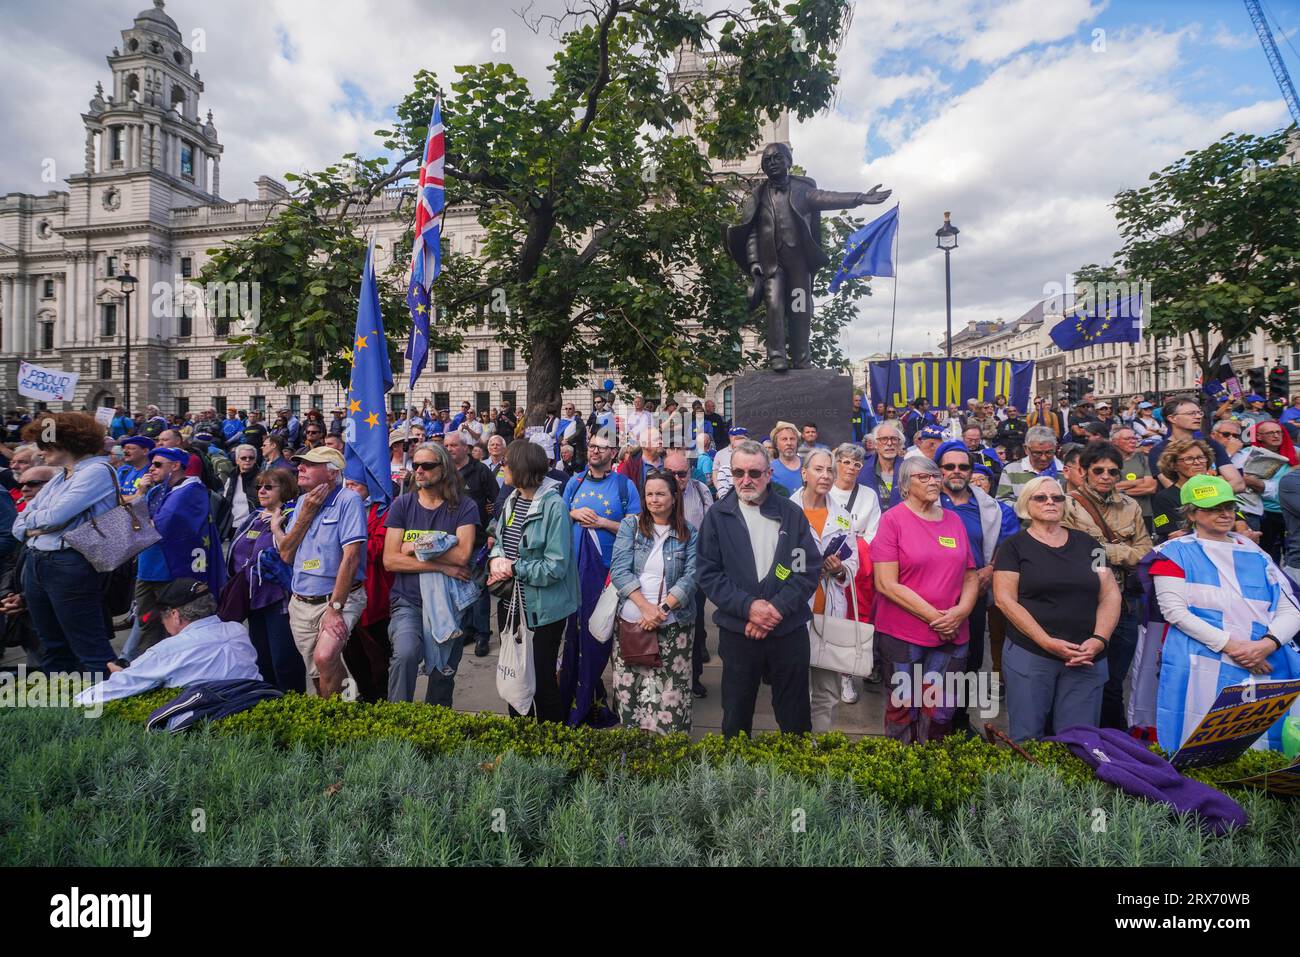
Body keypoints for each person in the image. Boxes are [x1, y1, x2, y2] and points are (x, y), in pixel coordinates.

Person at [1148, 475, 1300, 752]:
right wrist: (1236, 648)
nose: (1225, 513)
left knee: (1264, 747)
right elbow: (1175, 612)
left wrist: (1266, 645)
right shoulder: (1171, 553)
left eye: (1229, 506)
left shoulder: (1258, 553)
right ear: (1192, 514)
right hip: (1203, 660)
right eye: (1214, 508)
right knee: (1201, 746)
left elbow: (1291, 608)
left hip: (1265, 658)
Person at [696, 440, 820, 737]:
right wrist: (749, 608)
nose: (745, 480)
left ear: (769, 474)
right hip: (740, 634)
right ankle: (736, 780)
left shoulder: (791, 513)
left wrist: (775, 609)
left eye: (754, 472)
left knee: (795, 719)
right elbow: (709, 573)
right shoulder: (717, 516)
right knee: (736, 716)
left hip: (787, 631)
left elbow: (805, 569)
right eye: (738, 472)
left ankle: (796, 776)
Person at [993, 477, 1119, 740]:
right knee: (1028, 737)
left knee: (1080, 739)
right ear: (1027, 504)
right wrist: (1046, 642)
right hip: (1032, 654)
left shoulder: (1090, 546)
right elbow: (1005, 600)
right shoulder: (1013, 547)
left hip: (1086, 656)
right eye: (1041, 497)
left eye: (1057, 497)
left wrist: (1099, 640)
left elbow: (1109, 594)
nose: (1050, 502)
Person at [871, 455, 978, 743]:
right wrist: (936, 617)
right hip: (904, 636)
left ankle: (933, 771)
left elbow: (970, 574)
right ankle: (902, 772)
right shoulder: (892, 521)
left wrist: (961, 611)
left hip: (953, 635)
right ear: (905, 486)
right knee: (903, 708)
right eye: (924, 477)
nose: (933, 481)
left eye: (935, 476)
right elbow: (885, 583)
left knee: (940, 711)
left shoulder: (954, 521)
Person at [11, 413, 119, 676]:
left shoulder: (96, 471)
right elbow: (20, 524)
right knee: (52, 645)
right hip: (40, 561)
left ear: (67, 442)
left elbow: (54, 516)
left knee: (89, 646)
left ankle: (103, 704)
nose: (41, 451)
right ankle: (62, 707)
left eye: (46, 444)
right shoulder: (62, 476)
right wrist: (37, 524)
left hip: (69, 562)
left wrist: (35, 524)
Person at [1062, 441, 1153, 730]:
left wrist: (1108, 551)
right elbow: (1074, 554)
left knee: (1114, 682)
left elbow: (1145, 552)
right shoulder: (1067, 505)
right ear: (1084, 471)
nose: (1105, 476)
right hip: (1083, 604)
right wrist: (1122, 552)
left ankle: (1114, 743)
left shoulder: (1131, 506)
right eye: (1098, 470)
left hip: (1126, 602)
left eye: (1112, 472)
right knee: (1083, 678)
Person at [487, 439, 580, 723]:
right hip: (511, 605)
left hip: (544, 611)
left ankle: (550, 750)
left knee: (540, 682)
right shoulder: (512, 500)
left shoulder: (554, 507)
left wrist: (516, 568)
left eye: (505, 463)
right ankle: (521, 750)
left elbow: (556, 566)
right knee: (515, 681)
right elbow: (500, 541)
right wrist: (496, 559)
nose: (501, 467)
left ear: (521, 467)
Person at [382, 441, 479, 705]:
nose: (419, 471)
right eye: (415, 466)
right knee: (405, 654)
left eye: (427, 465)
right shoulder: (402, 505)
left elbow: (462, 556)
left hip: (450, 604)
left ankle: (434, 729)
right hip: (408, 601)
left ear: (444, 468)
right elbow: (390, 559)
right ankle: (396, 722)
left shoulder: (464, 506)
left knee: (442, 675)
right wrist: (440, 562)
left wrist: (412, 547)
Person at [73, 579, 263, 707]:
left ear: (175, 615)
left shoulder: (167, 650)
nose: (162, 624)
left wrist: (76, 701)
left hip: (205, 719)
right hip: (254, 704)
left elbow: (120, 686)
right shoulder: (237, 631)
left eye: (163, 617)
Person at [608, 469, 699, 733]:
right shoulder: (630, 527)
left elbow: (692, 577)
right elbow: (619, 570)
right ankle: (636, 753)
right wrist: (646, 609)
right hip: (632, 622)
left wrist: (662, 610)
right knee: (632, 692)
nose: (654, 499)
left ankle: (670, 756)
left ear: (674, 497)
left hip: (674, 625)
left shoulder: (689, 533)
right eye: (649, 494)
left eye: (660, 493)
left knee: (671, 695)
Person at [276, 447, 368, 698]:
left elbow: (351, 558)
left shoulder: (348, 500)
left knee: (325, 657)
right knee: (318, 674)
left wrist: (335, 609)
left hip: (335, 599)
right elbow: (286, 554)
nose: (300, 468)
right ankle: (349, 703)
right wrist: (305, 515)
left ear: (331, 473)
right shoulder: (304, 502)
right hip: (301, 601)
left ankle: (334, 722)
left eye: (309, 464)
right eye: (300, 464)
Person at [789, 448, 860, 731]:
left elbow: (853, 560)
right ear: (804, 473)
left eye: (830, 470)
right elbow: (773, 566)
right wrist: (804, 569)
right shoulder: (786, 511)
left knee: (827, 691)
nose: (826, 475)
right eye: (818, 469)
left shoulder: (842, 516)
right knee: (795, 688)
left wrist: (840, 569)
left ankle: (819, 746)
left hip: (829, 611)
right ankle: (797, 746)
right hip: (795, 612)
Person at [133, 445, 226, 652]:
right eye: (150, 465)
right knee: (146, 621)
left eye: (157, 465)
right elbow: (135, 519)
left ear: (175, 466)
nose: (151, 469)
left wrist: (142, 521)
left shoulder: (191, 490)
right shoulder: (156, 489)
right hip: (147, 567)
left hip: (170, 570)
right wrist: (141, 491)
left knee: (169, 627)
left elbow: (157, 526)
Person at [226, 467, 304, 692]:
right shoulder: (252, 517)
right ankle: (269, 701)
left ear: (285, 489)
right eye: (259, 486)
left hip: (278, 599)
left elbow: (289, 553)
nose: (261, 491)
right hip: (252, 598)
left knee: (284, 661)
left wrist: (275, 526)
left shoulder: (291, 516)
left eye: (269, 487)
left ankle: (293, 704)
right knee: (261, 659)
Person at [665, 449, 713, 698]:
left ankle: (693, 678)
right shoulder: (658, 492)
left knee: (693, 622)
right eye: (670, 473)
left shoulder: (701, 491)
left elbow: (710, 527)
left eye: (681, 474)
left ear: (689, 472)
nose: (676, 479)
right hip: (665, 569)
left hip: (696, 569)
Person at [444, 429, 496, 656]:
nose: (448, 450)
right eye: (446, 446)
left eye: (453, 445)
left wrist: (493, 532)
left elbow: (497, 501)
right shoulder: (442, 471)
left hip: (477, 539)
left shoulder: (481, 471)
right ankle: (467, 629)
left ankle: (483, 634)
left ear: (465, 447)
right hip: (449, 540)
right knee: (459, 586)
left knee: (478, 587)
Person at [1148, 397, 1244, 493]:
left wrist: (1203, 492)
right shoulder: (1159, 451)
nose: (1198, 417)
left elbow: (1238, 484)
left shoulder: (1210, 443)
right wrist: (1219, 480)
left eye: (1199, 413)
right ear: (1172, 418)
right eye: (1191, 413)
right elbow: (1179, 492)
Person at [1241, 420, 1295, 561]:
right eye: (1271, 433)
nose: (1276, 435)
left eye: (1279, 432)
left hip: (1291, 512)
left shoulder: (1295, 452)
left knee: (1293, 554)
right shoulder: (1247, 454)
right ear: (1259, 436)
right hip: (1263, 513)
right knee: (1268, 553)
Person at [1152, 438, 1216, 543]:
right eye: (1189, 459)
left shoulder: (1218, 488)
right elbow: (1176, 536)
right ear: (1174, 465)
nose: (1197, 462)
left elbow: (1239, 523)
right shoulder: (1163, 498)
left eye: (1201, 457)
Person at [995, 426, 1061, 502]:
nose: (1043, 458)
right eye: (1037, 453)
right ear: (1026, 449)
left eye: (1049, 452)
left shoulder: (1065, 471)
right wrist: (1027, 509)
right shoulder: (1011, 470)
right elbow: (1002, 502)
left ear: (1055, 448)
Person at [1111, 426, 1158, 532]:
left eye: (1134, 438)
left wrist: (1120, 491)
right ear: (1115, 442)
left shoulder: (1144, 459)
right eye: (1127, 439)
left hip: (1144, 513)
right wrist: (1139, 481)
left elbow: (1150, 487)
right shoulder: (1108, 461)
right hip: (1116, 513)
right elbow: (1107, 487)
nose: (1133, 442)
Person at [857, 422, 904, 510]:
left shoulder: (910, 471)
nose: (889, 443)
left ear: (899, 444)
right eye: (884, 439)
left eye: (894, 439)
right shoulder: (862, 473)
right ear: (875, 444)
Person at [219, 444, 260, 541]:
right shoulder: (232, 476)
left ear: (255, 460)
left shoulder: (261, 478)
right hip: (232, 526)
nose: (247, 460)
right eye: (243, 458)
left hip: (252, 524)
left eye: (251, 458)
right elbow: (226, 500)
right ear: (237, 460)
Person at [711, 426, 748, 498]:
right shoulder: (720, 454)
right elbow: (715, 474)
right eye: (733, 436)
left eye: (740, 436)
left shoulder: (754, 454)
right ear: (730, 437)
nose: (734, 438)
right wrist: (720, 489)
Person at [769, 421, 804, 493]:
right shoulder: (770, 469)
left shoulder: (807, 464)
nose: (789, 443)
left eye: (792, 439)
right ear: (776, 444)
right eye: (784, 439)